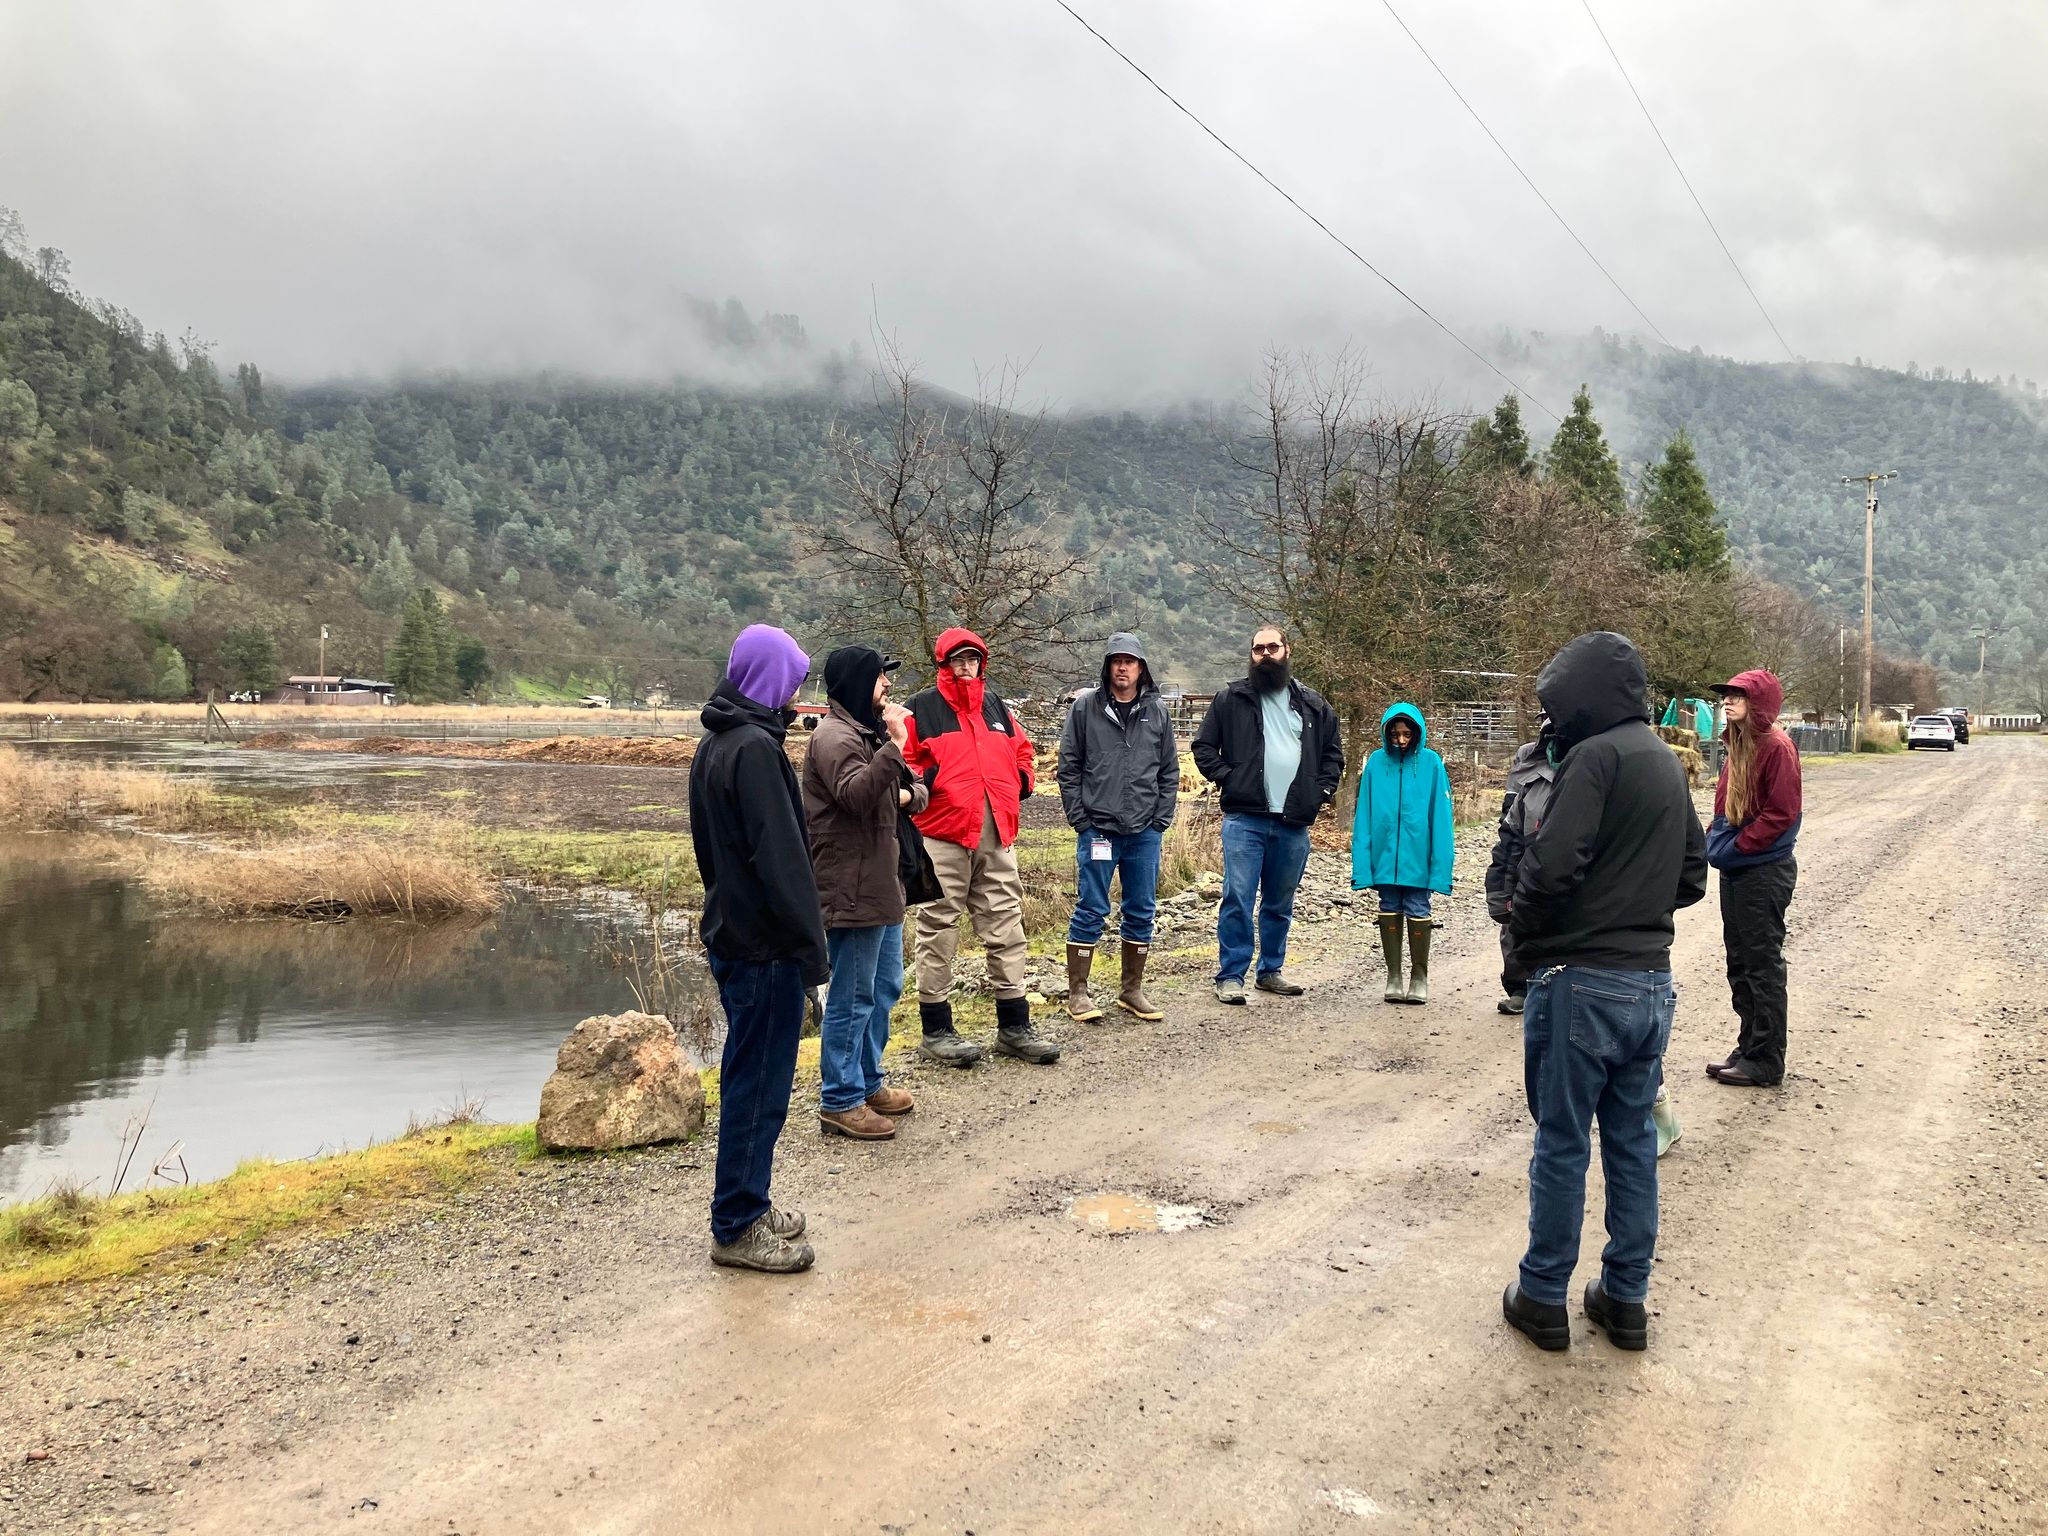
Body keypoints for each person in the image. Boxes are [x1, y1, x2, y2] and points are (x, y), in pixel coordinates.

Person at [1501, 632, 1707, 1352]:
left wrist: (1523, 946)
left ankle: (1544, 1294)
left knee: (1561, 1142)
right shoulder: (1664, 761)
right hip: (1652, 983)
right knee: (1630, 1142)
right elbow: (1692, 876)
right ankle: (1625, 1300)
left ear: (1581, 695)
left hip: (1581, 981)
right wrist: (1633, 905)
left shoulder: (1593, 758)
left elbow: (1551, 868)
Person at [688, 623, 829, 1274]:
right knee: (759, 1083)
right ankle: (737, 1224)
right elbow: (786, 865)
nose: (796, 693)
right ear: (770, 680)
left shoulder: (714, 744)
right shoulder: (756, 751)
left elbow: (709, 857)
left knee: (751, 1074)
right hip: (765, 947)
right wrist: (811, 955)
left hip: (732, 934)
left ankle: (749, 1198)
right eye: (792, 680)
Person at [901, 627, 1060, 1066]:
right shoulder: (921, 709)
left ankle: (1014, 1027)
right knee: (938, 930)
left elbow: (1022, 750)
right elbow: (905, 762)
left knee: (1006, 927)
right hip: (943, 835)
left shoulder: (997, 708)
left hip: (996, 833)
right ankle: (936, 1030)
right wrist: (932, 784)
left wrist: (1022, 780)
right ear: (944, 664)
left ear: (981, 663)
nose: (966, 666)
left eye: (973, 659)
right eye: (958, 660)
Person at [802, 644, 928, 1141]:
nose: (888, 686)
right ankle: (839, 1098)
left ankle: (866, 1080)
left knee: (884, 987)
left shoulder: (864, 733)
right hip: (850, 886)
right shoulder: (834, 737)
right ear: (859, 681)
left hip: (882, 881)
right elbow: (856, 795)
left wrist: (900, 789)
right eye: (880, 678)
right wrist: (895, 746)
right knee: (852, 996)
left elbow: (916, 792)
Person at [1191, 626, 1344, 1005]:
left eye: (1272, 647)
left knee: (1280, 901)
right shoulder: (1231, 699)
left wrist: (1320, 792)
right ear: (1251, 654)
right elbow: (1204, 747)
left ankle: (1271, 970)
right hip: (1246, 819)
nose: (1265, 654)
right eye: (1258, 648)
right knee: (1238, 898)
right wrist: (1232, 778)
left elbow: (1332, 755)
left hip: (1293, 822)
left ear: (1286, 650)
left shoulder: (1313, 704)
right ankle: (1230, 975)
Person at [1057, 632, 1180, 1023]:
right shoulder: (1085, 709)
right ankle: (1078, 992)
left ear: (1141, 667)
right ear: (1108, 666)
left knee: (1142, 908)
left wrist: (1160, 820)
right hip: (1100, 830)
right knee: (1092, 906)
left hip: (1144, 831)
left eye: (1130, 661)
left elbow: (1169, 771)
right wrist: (1081, 820)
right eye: (1116, 660)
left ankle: (1131, 991)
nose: (1123, 667)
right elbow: (1069, 767)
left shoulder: (1156, 711)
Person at [1704, 667, 1802, 1089]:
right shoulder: (1739, 744)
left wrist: (1738, 847)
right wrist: (1716, 838)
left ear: (1759, 703)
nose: (1728, 701)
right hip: (1741, 869)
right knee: (1740, 960)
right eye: (1726, 695)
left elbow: (1782, 815)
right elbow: (1727, 807)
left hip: (1763, 869)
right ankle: (1748, 1046)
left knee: (1761, 963)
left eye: (1738, 696)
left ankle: (1766, 1060)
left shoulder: (1776, 747)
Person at [1350, 702, 1454, 1005]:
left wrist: (1440, 865)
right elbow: (1365, 815)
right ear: (1387, 733)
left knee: (1419, 908)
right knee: (1388, 906)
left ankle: (1419, 977)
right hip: (1384, 855)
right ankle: (1393, 976)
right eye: (1395, 734)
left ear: (1417, 732)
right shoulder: (1375, 763)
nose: (1402, 740)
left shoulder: (1432, 764)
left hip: (1418, 856)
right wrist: (1363, 862)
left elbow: (1441, 817)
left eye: (1407, 733)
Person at [1483, 717, 1557, 1014]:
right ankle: (1518, 986)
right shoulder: (1527, 755)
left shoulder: (1586, 762)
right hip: (1526, 843)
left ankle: (1551, 985)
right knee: (1515, 919)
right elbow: (1512, 802)